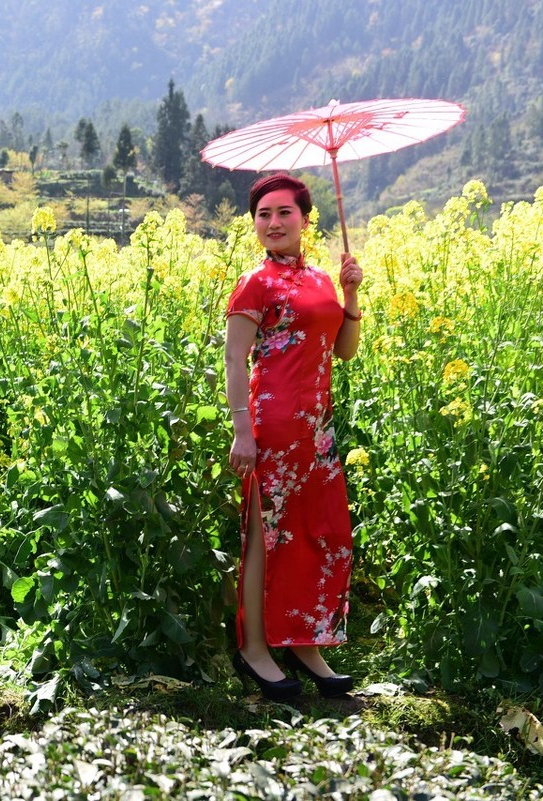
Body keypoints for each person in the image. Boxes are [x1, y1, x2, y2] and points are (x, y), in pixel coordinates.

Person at [223, 173, 363, 700]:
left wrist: (350, 295)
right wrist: (243, 430)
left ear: (306, 220)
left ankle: (306, 644)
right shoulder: (255, 282)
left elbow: (343, 350)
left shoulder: (325, 281)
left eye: (284, 213)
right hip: (271, 424)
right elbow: (236, 358)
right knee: (266, 536)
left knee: (316, 533)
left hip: (317, 428)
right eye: (264, 214)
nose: (273, 223)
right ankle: (256, 648)